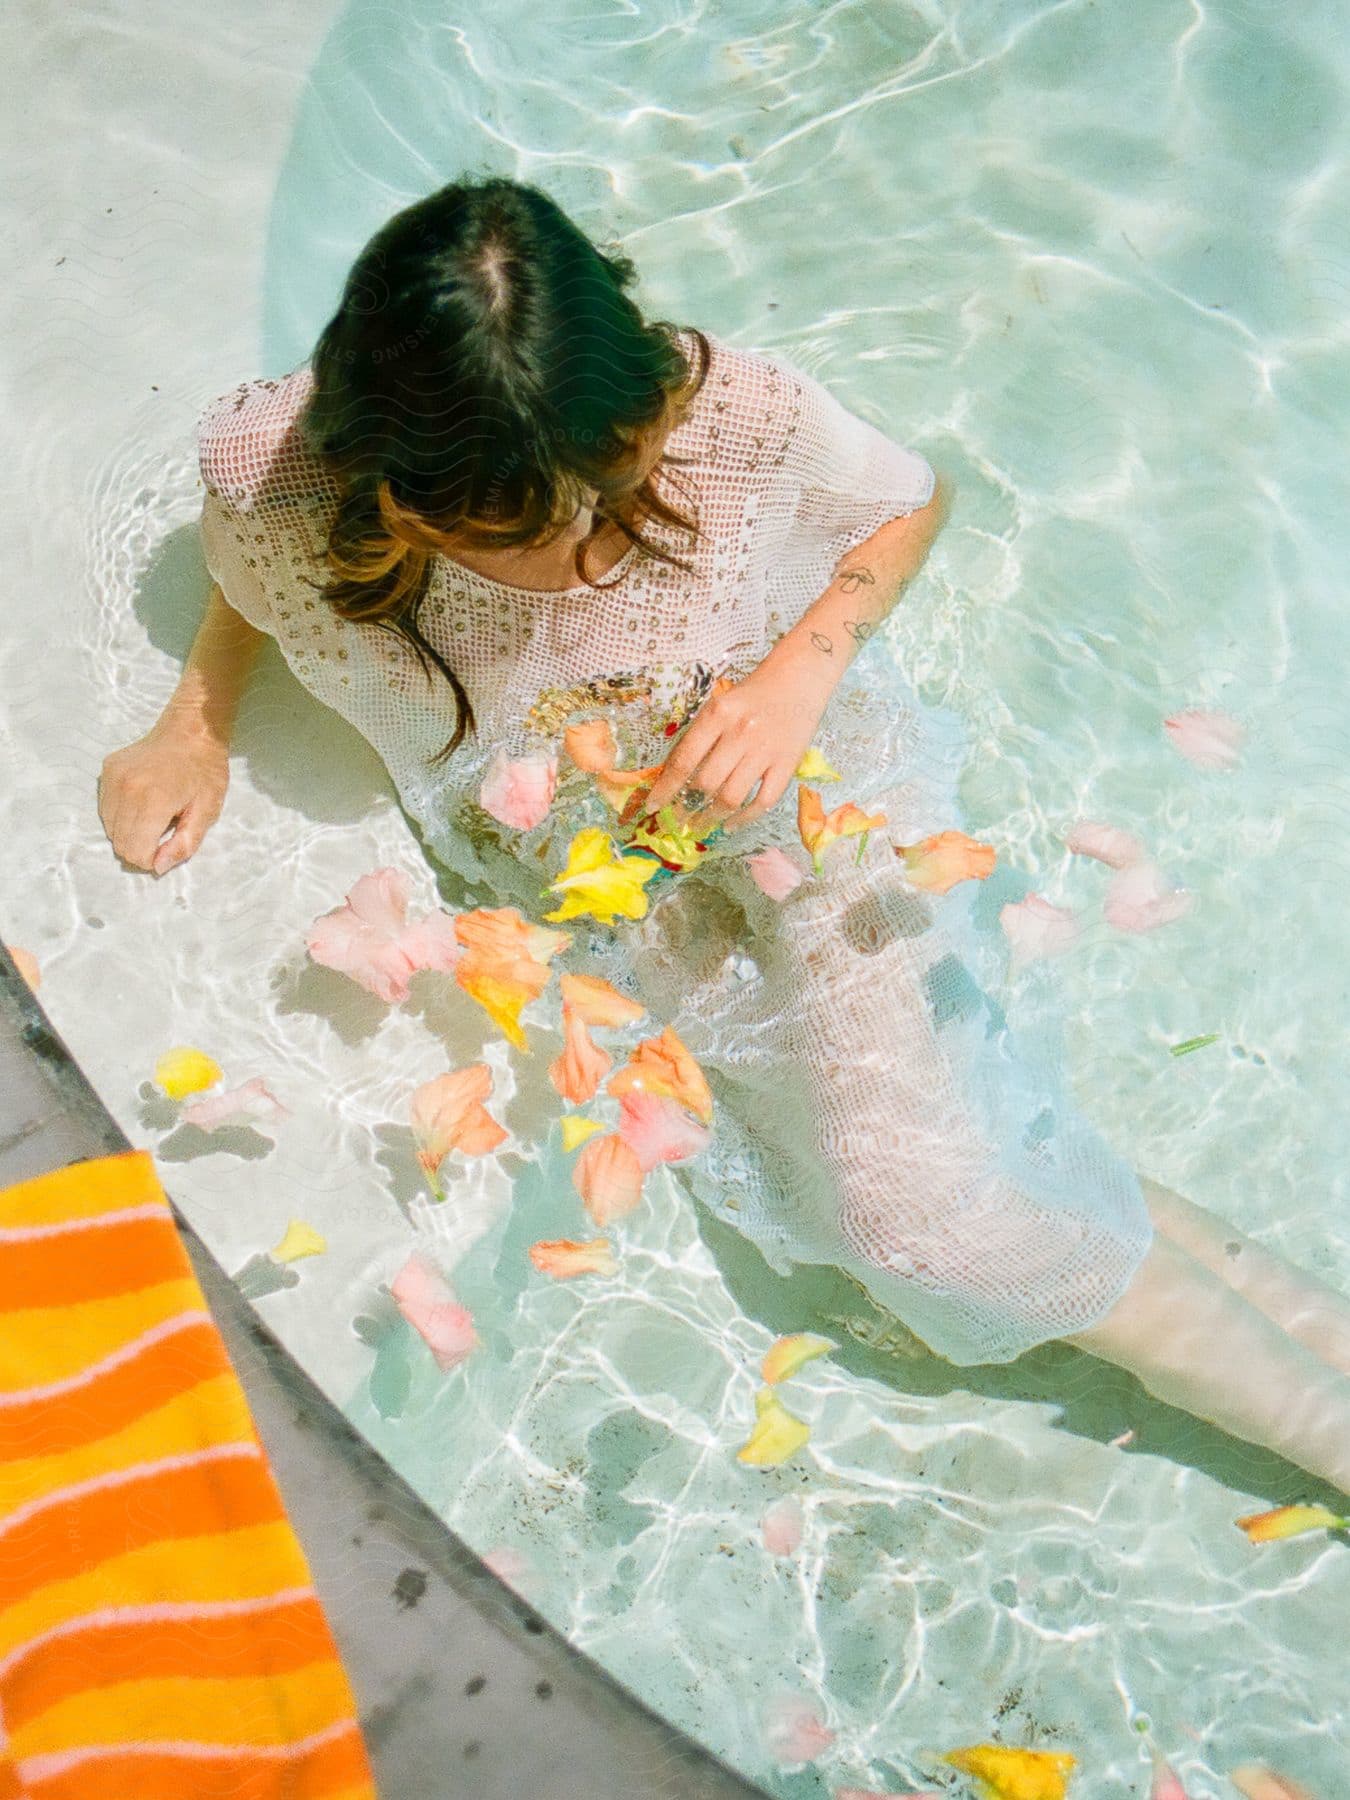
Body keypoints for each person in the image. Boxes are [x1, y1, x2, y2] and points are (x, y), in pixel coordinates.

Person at [99, 177, 1350, 1495]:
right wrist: (193, 717)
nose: (593, 550)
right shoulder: (278, 476)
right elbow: (263, 577)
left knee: (920, 1224)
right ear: (400, 501)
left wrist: (798, 674)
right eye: (530, 533)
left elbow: (906, 501)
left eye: (616, 488)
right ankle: (1300, 1334)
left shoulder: (720, 410)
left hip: (814, 800)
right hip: (624, 871)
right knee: (938, 1154)